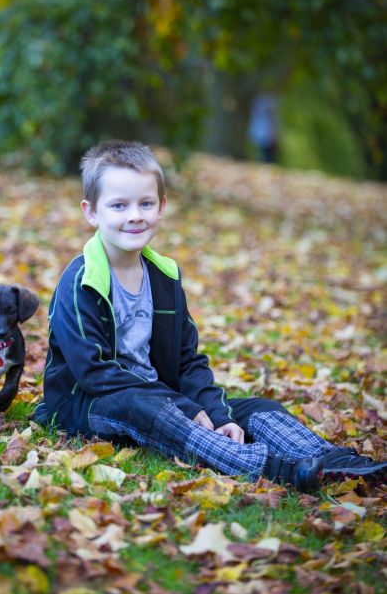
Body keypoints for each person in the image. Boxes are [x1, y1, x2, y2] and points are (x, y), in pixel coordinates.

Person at [34, 141, 386, 491]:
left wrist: (217, 415)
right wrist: (184, 407)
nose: (135, 215)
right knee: (142, 406)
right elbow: (94, 373)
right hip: (87, 405)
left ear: (161, 207)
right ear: (91, 212)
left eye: (145, 203)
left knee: (256, 407)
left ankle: (335, 463)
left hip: (165, 399)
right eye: (119, 205)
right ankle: (277, 468)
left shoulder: (165, 279)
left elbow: (188, 361)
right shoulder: (82, 282)